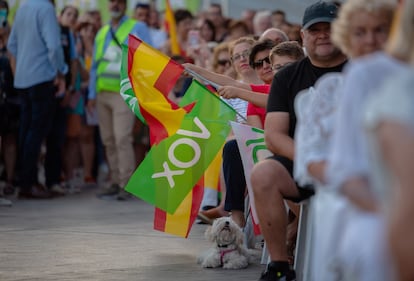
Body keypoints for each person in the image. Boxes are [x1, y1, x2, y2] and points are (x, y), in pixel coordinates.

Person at [294, 1, 397, 279]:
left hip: (401, 189)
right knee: (374, 239)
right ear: (347, 37)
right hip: (351, 194)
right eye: (360, 32)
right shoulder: (332, 89)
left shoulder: (404, 79)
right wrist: (381, 202)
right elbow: (312, 160)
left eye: (380, 31)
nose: (371, 40)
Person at [249, 2, 347, 280]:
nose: (322, 35)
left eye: (330, 28)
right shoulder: (287, 77)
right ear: (303, 36)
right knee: (263, 173)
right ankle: (280, 266)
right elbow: (274, 136)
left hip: (358, 166)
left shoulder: (361, 70)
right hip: (304, 164)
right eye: (314, 29)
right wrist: (313, 161)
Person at [87, 0, 152, 200]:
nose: (114, 5)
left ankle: (126, 183)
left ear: (125, 5)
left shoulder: (137, 27)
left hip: (124, 92)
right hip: (102, 93)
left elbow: (150, 55)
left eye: (119, 2)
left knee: (122, 138)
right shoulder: (102, 32)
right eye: (111, 2)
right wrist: (91, 94)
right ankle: (115, 181)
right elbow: (95, 65)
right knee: (108, 140)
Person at [8, 0, 68, 199]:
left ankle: (24, 180)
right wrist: (60, 72)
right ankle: (29, 183)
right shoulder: (46, 8)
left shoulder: (22, 8)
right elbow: (54, 46)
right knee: (37, 132)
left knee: (25, 131)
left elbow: (11, 45)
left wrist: (19, 72)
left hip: (23, 80)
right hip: (41, 78)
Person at [0, 0, 15, 206]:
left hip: (8, 95)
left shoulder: (12, 34)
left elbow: (15, 67)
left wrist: (6, 39)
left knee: (7, 139)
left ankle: (8, 181)